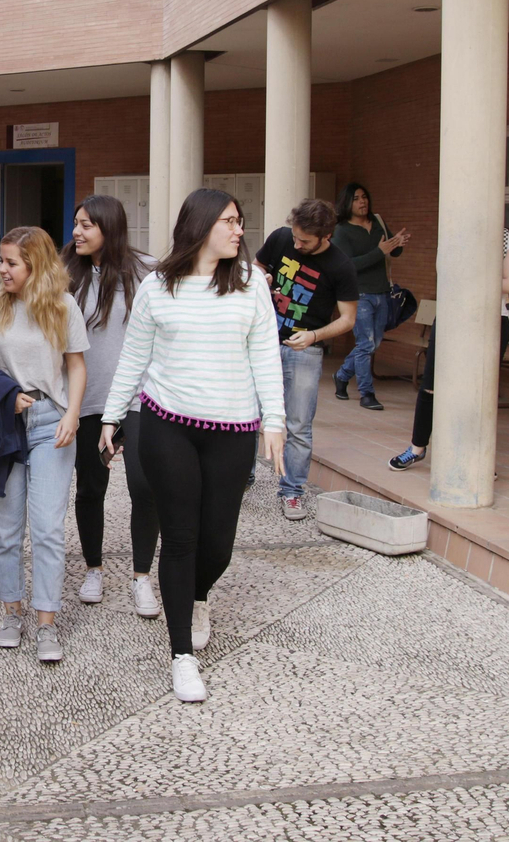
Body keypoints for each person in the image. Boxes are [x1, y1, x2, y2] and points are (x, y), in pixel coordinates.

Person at [100, 189, 285, 703]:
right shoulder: (158, 288)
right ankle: (182, 655)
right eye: (229, 220)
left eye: (240, 221)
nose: (238, 230)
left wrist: (276, 420)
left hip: (232, 430)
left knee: (218, 544)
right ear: (201, 225)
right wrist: (112, 417)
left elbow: (266, 357)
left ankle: (199, 596)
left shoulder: (250, 286)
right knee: (180, 538)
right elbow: (133, 358)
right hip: (168, 426)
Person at [0, 227, 88, 664]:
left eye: (12, 262)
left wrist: (73, 413)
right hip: (5, 423)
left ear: (35, 266)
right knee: (5, 528)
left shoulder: (62, 306)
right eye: (2, 260)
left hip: (51, 422)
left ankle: (46, 623)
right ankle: (11, 612)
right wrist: (2, 393)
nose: (2, 269)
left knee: (49, 528)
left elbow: (76, 366)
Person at [60, 196, 160, 618]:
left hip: (137, 400)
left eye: (86, 225)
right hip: (88, 400)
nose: (77, 232)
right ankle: (94, 568)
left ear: (109, 228)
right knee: (90, 490)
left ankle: (141, 578)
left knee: (144, 487)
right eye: (76, 224)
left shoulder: (147, 271)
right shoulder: (65, 274)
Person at [255, 199, 359, 521]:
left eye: (305, 242)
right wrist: (263, 281)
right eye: (296, 237)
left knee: (298, 424)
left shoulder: (341, 266)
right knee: (247, 413)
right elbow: (257, 268)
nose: (296, 244)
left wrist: (313, 336)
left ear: (325, 236)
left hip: (305, 350)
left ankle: (292, 491)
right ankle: (239, 478)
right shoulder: (281, 238)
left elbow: (348, 319)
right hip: (262, 341)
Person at [390, 228, 509, 471]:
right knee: (430, 386)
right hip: (452, 317)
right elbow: (448, 277)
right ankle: (417, 448)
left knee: (480, 393)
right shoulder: (452, 232)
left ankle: (478, 459)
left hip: (491, 320)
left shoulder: (502, 237)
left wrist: (472, 277)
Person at [330, 183, 410, 411]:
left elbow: (393, 251)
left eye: (364, 197)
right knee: (365, 344)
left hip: (382, 291)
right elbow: (348, 266)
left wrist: (397, 244)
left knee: (374, 343)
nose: (362, 202)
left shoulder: (377, 223)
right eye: (356, 198)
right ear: (347, 202)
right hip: (359, 294)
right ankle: (367, 393)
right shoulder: (342, 231)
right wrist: (379, 251)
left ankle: (342, 375)